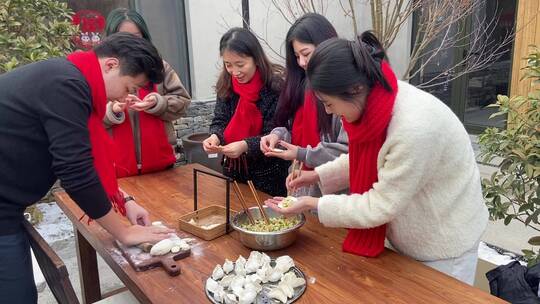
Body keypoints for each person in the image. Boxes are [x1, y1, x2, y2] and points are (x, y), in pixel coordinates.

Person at [266, 32, 488, 285]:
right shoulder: (378, 101)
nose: (330, 112)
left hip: (443, 243)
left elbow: (380, 204)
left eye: (328, 103)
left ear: (355, 88)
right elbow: (367, 158)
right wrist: (317, 174)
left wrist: (312, 203)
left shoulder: (413, 127)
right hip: (411, 231)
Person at [0, 33, 174, 303]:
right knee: (17, 296)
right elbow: (75, 172)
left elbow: (83, 159)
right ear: (111, 65)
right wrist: (124, 231)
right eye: (129, 88)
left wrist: (124, 200)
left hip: (8, 206)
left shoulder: (69, 76)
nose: (127, 97)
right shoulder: (67, 84)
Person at [260, 13, 348, 197]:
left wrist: (302, 153)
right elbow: (297, 131)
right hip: (299, 183)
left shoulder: (345, 89)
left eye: (306, 53)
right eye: (297, 56)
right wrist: (278, 136)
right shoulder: (300, 84)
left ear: (326, 44)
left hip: (332, 192)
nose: (301, 62)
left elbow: (347, 153)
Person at [103, 8, 191, 177]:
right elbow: (85, 119)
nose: (130, 43)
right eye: (123, 36)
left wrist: (158, 103)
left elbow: (182, 102)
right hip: (115, 167)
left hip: (160, 163)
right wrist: (112, 111)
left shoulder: (159, 66)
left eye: (136, 37)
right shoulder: (102, 71)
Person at [202, 28, 289, 196]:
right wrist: (215, 137)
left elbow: (277, 132)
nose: (235, 72)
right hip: (233, 171)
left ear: (256, 58)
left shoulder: (275, 87)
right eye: (228, 65)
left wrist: (246, 145)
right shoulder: (226, 84)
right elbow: (220, 120)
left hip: (269, 175)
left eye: (240, 65)